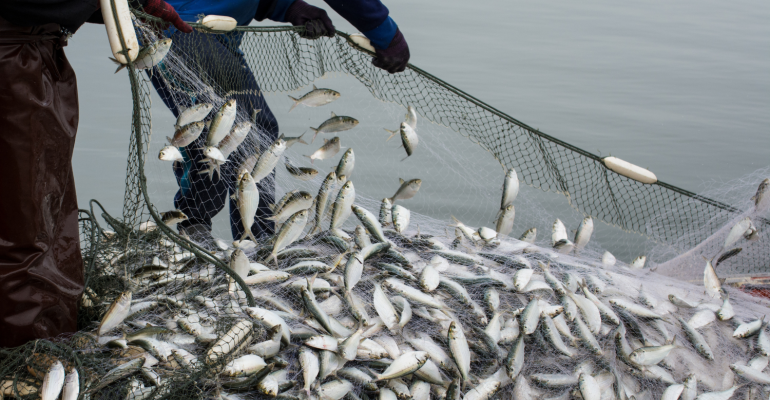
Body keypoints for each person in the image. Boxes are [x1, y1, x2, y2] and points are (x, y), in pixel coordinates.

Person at [0, 0, 191, 348]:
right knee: (26, 223)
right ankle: (29, 350)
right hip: (12, 65)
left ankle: (44, 334)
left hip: (30, 55)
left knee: (43, 208)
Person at [149, 0, 410, 247]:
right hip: (179, 25)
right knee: (234, 128)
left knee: (248, 130)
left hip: (213, 34)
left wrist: (287, 6)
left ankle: (246, 238)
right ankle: (208, 229)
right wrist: (385, 33)